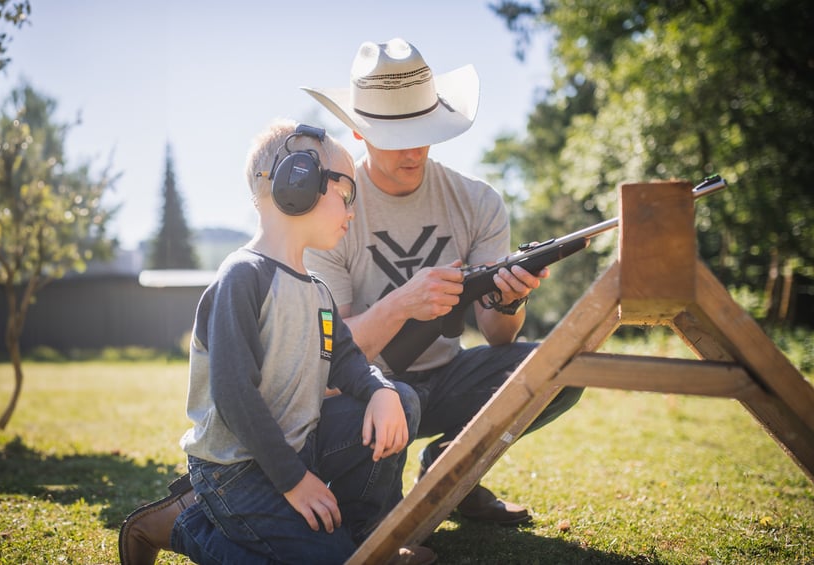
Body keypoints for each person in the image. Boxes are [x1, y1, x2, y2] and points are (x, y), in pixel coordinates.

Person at [118, 120, 436, 565]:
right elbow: (233, 393)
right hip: (236, 470)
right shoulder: (243, 276)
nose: (351, 211)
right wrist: (293, 480)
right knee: (324, 560)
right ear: (297, 182)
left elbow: (346, 361)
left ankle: (369, 543)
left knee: (399, 399)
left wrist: (379, 390)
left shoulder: (318, 290)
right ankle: (183, 526)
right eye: (346, 195)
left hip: (297, 449)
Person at [300, 38, 584, 526]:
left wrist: (508, 298)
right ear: (358, 133)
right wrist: (404, 304)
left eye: (424, 130)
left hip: (449, 378)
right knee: (394, 401)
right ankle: (376, 523)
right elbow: (332, 355)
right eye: (396, 136)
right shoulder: (331, 212)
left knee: (559, 368)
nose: (413, 151)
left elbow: (498, 335)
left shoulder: (477, 201)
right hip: (362, 388)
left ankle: (451, 473)